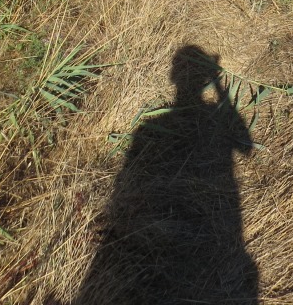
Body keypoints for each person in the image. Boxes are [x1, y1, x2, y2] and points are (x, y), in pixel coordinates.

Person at [72, 45, 258, 304]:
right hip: (220, 222)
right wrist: (218, 85)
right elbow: (246, 147)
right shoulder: (156, 125)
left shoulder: (148, 127)